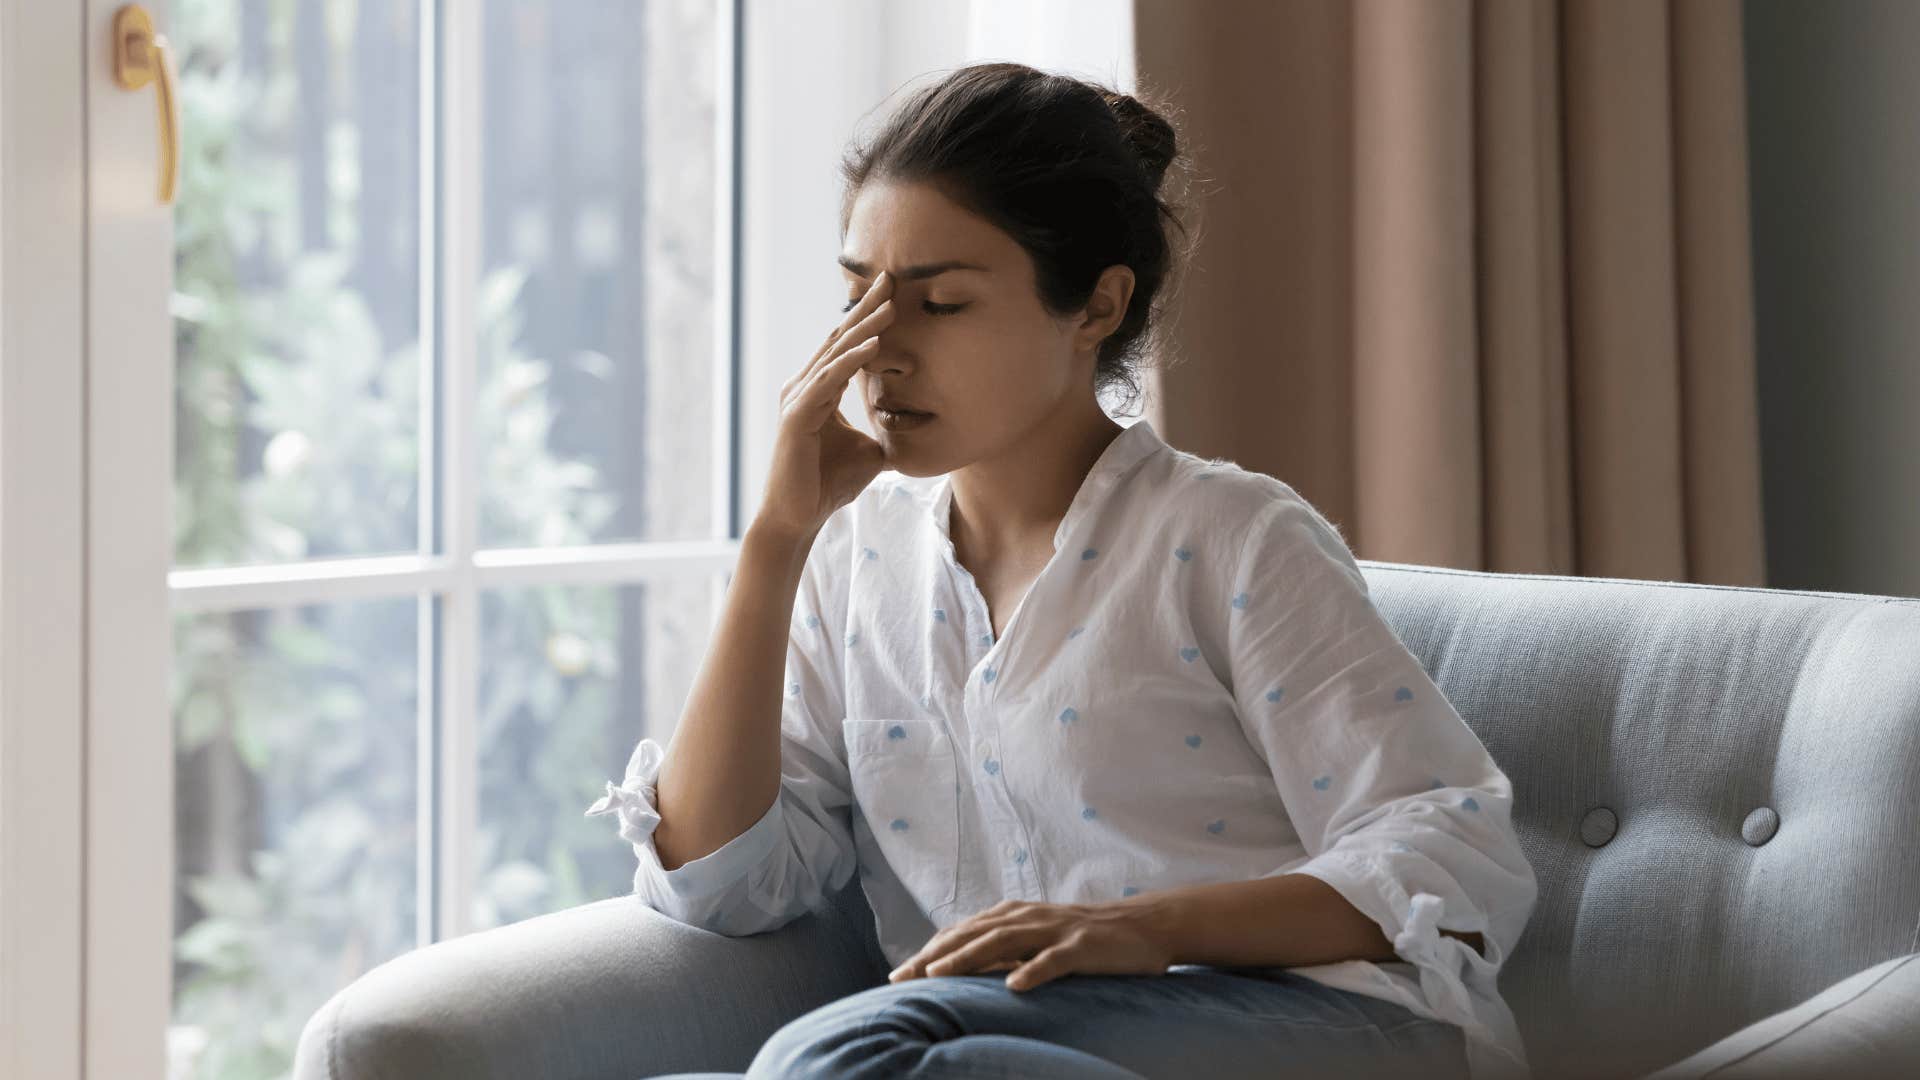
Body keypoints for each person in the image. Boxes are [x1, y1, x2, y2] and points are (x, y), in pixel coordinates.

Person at [589, 60, 1537, 1080]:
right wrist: (774, 543)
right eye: (858, 295)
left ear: (1095, 306)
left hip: (1328, 1028)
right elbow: (719, 884)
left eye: (939, 303)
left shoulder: (1228, 536)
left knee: (855, 1054)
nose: (876, 352)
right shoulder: (854, 563)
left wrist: (1148, 930)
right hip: (1019, 1044)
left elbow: (1453, 851)